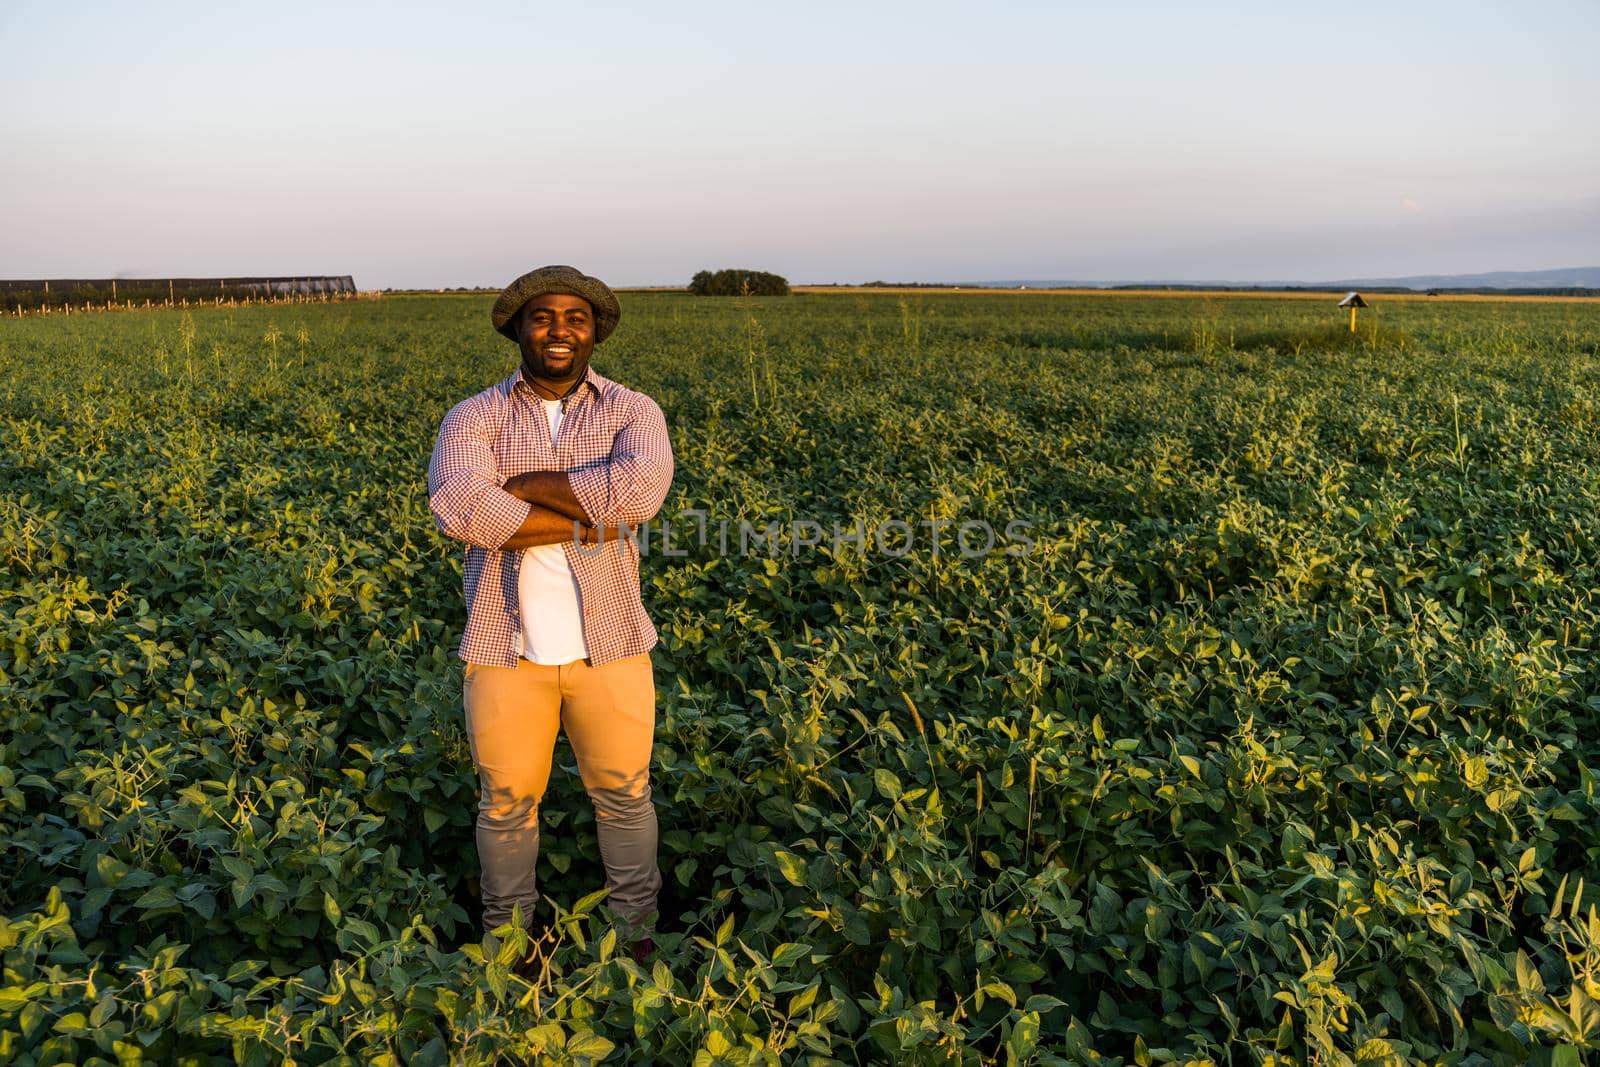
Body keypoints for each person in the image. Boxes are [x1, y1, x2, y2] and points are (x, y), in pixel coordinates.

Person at [426, 265, 673, 955]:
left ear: (595, 331)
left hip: (614, 642)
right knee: (505, 808)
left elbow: (642, 493)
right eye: (542, 317)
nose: (559, 330)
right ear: (518, 328)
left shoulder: (633, 411)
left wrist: (527, 487)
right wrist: (590, 517)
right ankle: (510, 948)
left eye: (575, 318)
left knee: (625, 798)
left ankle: (637, 939)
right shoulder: (475, 416)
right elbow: (461, 507)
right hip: (504, 647)